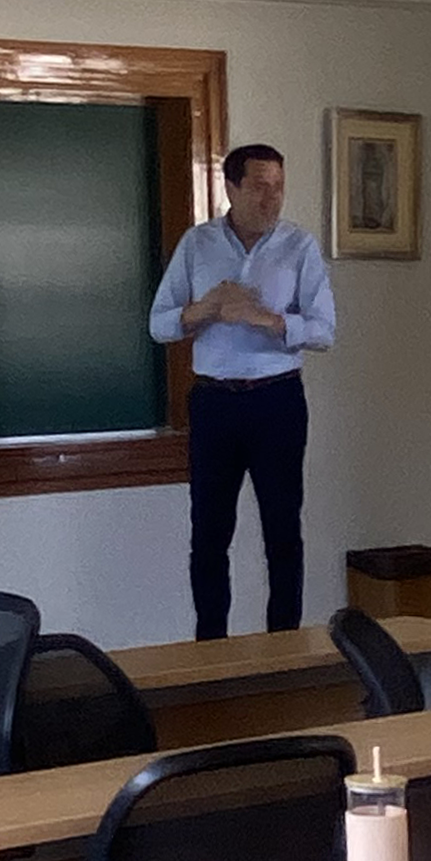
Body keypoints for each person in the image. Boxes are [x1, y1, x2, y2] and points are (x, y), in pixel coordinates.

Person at [149, 144, 335, 640]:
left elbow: (324, 330)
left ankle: (284, 645)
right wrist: (207, 307)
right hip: (214, 403)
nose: (271, 198)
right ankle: (211, 649)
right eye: (259, 187)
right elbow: (160, 324)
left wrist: (268, 319)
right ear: (230, 187)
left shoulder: (299, 246)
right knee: (209, 535)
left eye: (278, 187)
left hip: (277, 401)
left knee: (283, 531)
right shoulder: (197, 244)